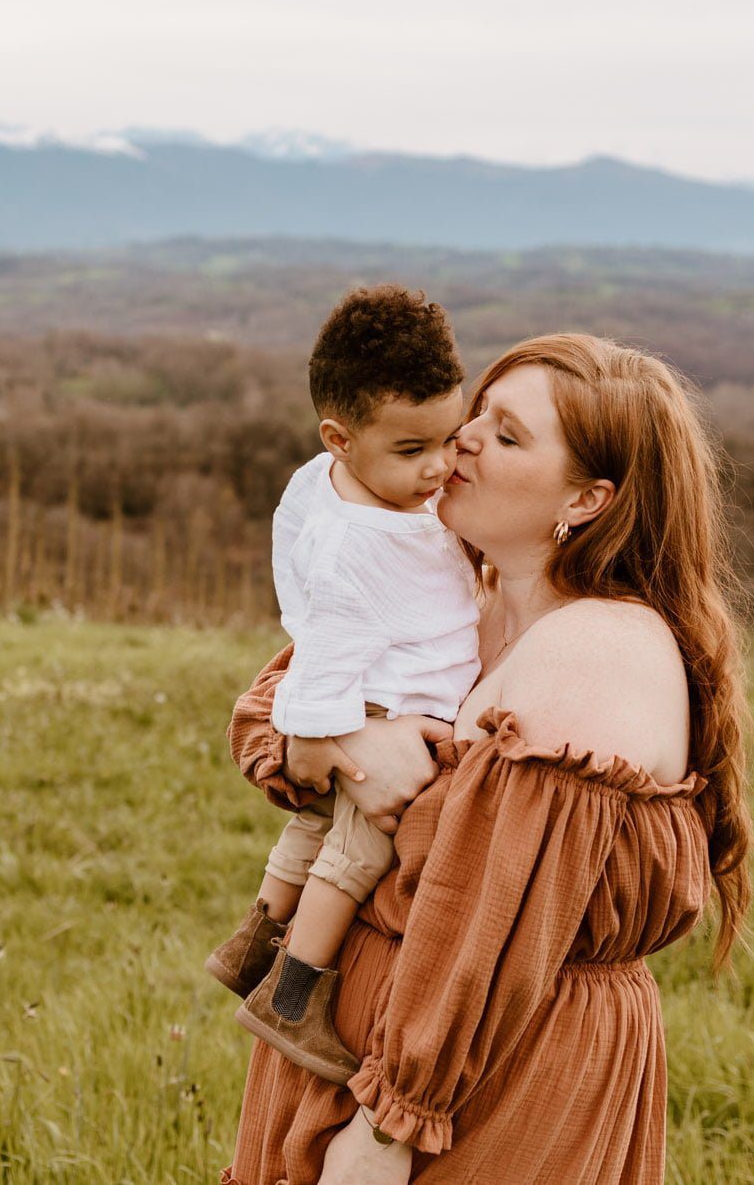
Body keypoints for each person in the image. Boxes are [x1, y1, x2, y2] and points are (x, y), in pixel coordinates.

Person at [222, 333, 754, 1185]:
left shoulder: (596, 651)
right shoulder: (453, 603)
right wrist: (349, 739)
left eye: (507, 436)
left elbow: (492, 921)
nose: (464, 439)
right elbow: (265, 712)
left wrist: (391, 1123)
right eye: (478, 415)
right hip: (361, 1045)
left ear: (585, 498)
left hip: (485, 1082)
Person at [205, 286, 481, 1084]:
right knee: (356, 851)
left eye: (449, 439)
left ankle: (254, 937)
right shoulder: (364, 546)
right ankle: (293, 997)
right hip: (374, 706)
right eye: (410, 450)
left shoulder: (328, 484)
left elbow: (299, 575)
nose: (438, 467)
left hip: (361, 691)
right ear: (342, 437)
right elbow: (325, 640)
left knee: (310, 833)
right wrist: (320, 732)